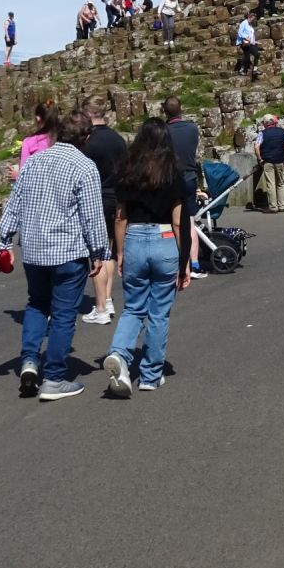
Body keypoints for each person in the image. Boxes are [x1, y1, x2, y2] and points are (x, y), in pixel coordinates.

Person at [0, 110, 109, 402]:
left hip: (33, 250)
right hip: (67, 251)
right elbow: (92, 216)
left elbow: (14, 205)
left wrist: (4, 241)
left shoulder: (33, 163)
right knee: (62, 315)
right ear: (85, 137)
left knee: (36, 305)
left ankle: (30, 361)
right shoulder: (84, 166)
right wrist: (99, 252)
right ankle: (55, 378)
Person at [103, 118, 193, 398]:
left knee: (133, 307)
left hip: (134, 239)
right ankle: (151, 375)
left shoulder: (126, 172)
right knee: (158, 312)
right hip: (165, 238)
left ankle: (119, 354)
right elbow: (180, 222)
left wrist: (120, 253)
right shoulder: (173, 174)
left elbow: (120, 218)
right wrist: (184, 263)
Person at [82, 96, 127, 325]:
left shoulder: (89, 143)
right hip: (116, 196)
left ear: (89, 114)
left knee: (95, 252)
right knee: (107, 248)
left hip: (96, 197)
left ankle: (101, 304)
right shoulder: (118, 139)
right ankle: (108, 299)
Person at [163, 96, 207, 278]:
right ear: (181, 109)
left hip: (170, 177)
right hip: (189, 175)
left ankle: (175, 261)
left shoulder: (164, 131)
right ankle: (194, 262)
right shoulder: (192, 128)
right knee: (189, 221)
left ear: (164, 111)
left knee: (169, 221)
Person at [254, 114, 284, 214]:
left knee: (271, 184)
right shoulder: (282, 131)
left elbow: (256, 147)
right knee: (280, 183)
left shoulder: (262, 133)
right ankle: (281, 205)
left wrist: (259, 158)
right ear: (273, 122)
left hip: (268, 161)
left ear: (264, 123)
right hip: (280, 160)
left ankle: (273, 207)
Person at [11, 101, 59, 180]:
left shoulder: (29, 142)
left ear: (38, 118)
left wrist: (17, 176)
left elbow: (24, 171)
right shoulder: (63, 138)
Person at [235, 11, 259, 79]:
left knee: (256, 54)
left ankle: (255, 69)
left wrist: (255, 42)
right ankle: (242, 70)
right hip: (245, 43)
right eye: (253, 18)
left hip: (250, 43)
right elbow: (240, 33)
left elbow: (251, 35)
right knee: (247, 56)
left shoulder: (250, 25)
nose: (254, 20)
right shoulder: (244, 23)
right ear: (249, 17)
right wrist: (245, 37)